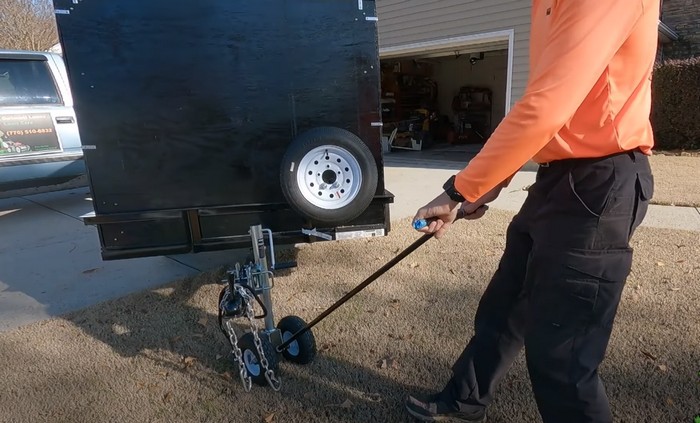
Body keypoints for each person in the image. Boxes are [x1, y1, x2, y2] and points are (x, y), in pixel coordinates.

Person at [405, 1, 658, 422]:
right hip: (557, 178)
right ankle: (465, 400)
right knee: (505, 304)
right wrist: (484, 189)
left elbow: (546, 105)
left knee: (563, 354)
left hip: (599, 183)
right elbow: (541, 108)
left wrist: (458, 191)